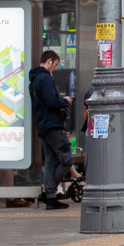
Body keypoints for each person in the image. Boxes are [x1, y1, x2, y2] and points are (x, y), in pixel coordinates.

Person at [31, 51, 74, 210]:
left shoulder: (34, 78)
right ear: (49, 61)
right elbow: (51, 102)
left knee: (50, 161)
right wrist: (64, 101)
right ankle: (50, 191)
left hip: (43, 125)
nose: (55, 68)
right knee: (66, 159)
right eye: (55, 65)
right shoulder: (46, 78)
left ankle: (49, 197)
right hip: (53, 124)